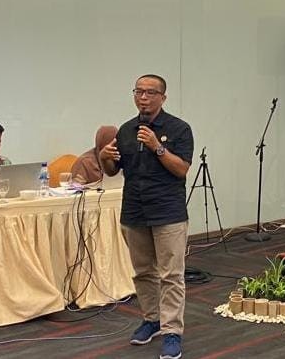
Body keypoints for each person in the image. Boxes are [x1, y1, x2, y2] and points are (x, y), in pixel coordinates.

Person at [99, 74, 193, 359]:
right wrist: (104, 157)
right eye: (138, 91)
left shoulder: (179, 129)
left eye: (150, 92)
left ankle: (172, 331)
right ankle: (152, 320)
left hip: (168, 211)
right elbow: (113, 171)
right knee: (143, 272)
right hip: (134, 210)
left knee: (171, 275)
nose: (143, 97)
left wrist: (157, 146)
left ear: (163, 97)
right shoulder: (126, 130)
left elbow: (181, 169)